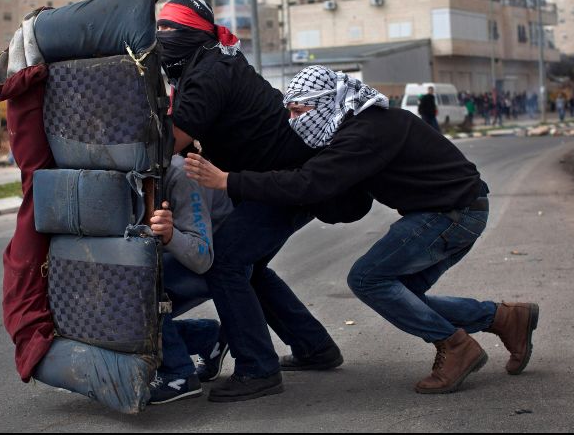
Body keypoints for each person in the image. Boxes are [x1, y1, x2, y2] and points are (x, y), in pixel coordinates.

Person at [185, 65, 540, 395]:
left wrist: (228, 181)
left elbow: (310, 183)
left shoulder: (364, 132)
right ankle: (504, 318)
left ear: (326, 103)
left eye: (298, 112)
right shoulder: (358, 125)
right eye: (289, 112)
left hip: (451, 213)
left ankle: (455, 346)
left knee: (367, 279)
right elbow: (343, 200)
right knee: (405, 297)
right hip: (458, 209)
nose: (293, 122)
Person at [156, 0, 343, 403]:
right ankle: (314, 347)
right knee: (249, 268)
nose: (162, 36)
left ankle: (257, 368)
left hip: (284, 183)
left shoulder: (209, 73)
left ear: (195, 34)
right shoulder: (206, 64)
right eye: (160, 27)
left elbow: (169, 144)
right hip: (277, 179)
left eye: (171, 29)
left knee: (225, 263)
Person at [147, 153, 233, 404]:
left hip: (212, 268)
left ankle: (178, 374)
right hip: (169, 262)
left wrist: (170, 235)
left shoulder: (179, 173)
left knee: (136, 293)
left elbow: (201, 257)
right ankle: (207, 337)